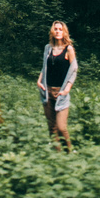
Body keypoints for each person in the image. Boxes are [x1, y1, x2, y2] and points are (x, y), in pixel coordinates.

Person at [36, 20, 77, 151]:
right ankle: (57, 155)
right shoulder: (48, 48)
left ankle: (69, 152)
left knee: (61, 127)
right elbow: (44, 67)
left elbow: (74, 70)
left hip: (61, 92)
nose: (58, 31)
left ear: (64, 32)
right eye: (56, 29)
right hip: (47, 90)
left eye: (60, 29)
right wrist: (39, 81)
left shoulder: (68, 49)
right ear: (52, 32)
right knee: (52, 128)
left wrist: (67, 89)